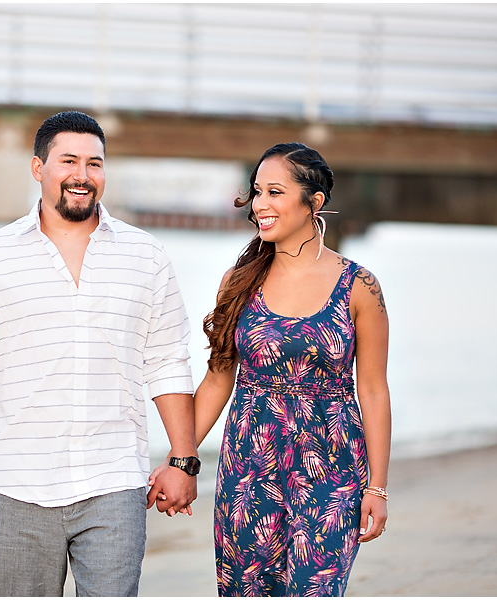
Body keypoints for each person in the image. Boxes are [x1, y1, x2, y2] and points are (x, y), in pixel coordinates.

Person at [0, 110, 200, 597]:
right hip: (18, 484)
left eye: (95, 163)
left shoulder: (144, 255)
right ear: (37, 168)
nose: (82, 175)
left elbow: (168, 361)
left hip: (114, 481)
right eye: (69, 161)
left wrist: (183, 459)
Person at [152, 142, 391, 596]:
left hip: (332, 469)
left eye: (275, 193)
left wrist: (377, 489)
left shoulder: (359, 286)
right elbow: (219, 378)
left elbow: (375, 391)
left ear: (313, 202)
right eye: (257, 192)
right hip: (249, 468)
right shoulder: (239, 281)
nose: (260, 204)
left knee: (314, 589)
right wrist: (179, 459)